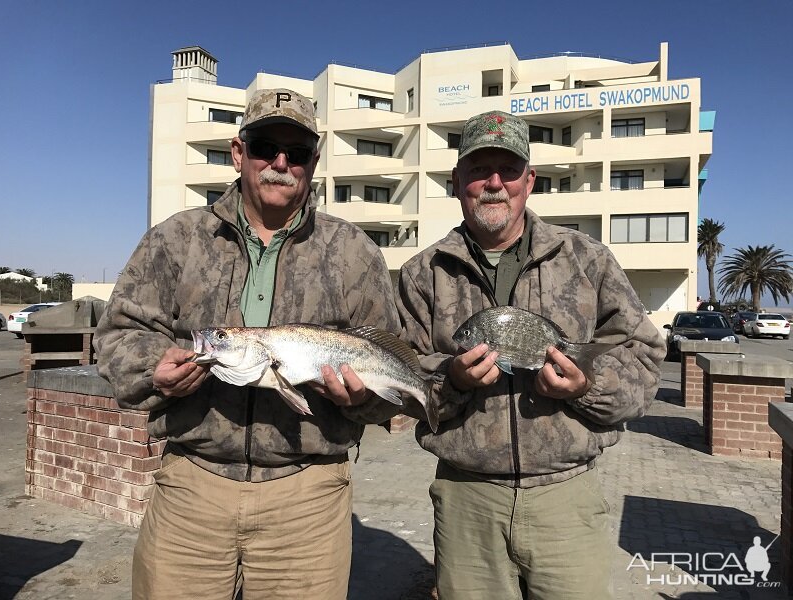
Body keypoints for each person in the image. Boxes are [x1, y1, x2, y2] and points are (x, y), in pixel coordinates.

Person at [94, 88, 401, 600]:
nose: (280, 163)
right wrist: (155, 369)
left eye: (297, 153)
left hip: (309, 494)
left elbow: (385, 362)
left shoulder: (355, 253)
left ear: (313, 162)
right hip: (192, 485)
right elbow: (119, 332)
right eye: (264, 147)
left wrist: (363, 399)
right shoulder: (177, 239)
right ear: (239, 153)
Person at [395, 110, 666, 599]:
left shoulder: (587, 259)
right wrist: (451, 381)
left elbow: (645, 357)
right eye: (479, 170)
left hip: (567, 497)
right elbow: (405, 379)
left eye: (509, 170)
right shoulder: (422, 274)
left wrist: (587, 386)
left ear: (529, 180)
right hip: (465, 499)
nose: (494, 183)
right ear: (457, 182)